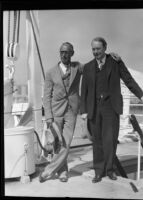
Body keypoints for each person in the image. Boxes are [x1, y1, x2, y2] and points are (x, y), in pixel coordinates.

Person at [40, 41, 121, 183]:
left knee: (66, 141)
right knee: (57, 143)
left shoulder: (78, 67)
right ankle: (63, 171)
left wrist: (109, 56)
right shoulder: (50, 72)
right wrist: (48, 117)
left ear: (72, 53)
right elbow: (46, 96)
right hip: (56, 111)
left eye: (67, 52)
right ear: (59, 54)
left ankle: (48, 171)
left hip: (72, 110)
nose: (64, 55)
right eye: (62, 52)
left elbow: (95, 66)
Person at [80, 37, 143, 183]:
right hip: (94, 108)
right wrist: (84, 111)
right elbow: (84, 91)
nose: (95, 52)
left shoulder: (115, 62)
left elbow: (128, 80)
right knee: (97, 140)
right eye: (93, 49)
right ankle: (99, 171)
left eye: (98, 49)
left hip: (111, 107)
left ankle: (110, 170)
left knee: (110, 140)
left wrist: (141, 94)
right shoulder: (87, 67)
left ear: (105, 48)